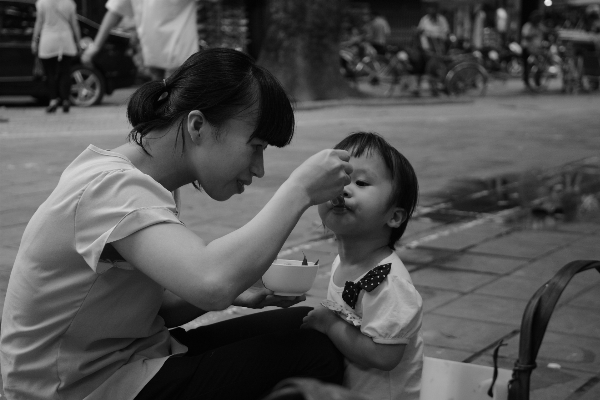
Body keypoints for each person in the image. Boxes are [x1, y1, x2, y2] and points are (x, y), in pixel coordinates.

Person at [0, 48, 353, 400]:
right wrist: (299, 190)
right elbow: (211, 283)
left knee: (309, 324)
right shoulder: (112, 187)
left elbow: (159, 310)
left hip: (130, 358)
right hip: (79, 388)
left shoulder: (145, 180)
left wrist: (242, 288)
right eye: (256, 146)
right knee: (314, 353)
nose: (258, 168)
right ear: (197, 125)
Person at [302, 132, 423, 400]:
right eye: (338, 179)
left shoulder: (389, 282)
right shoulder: (341, 262)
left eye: (361, 182)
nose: (343, 189)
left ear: (394, 216)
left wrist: (330, 325)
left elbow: (384, 355)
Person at [81, 0, 198, 80]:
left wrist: (95, 47)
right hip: (175, 55)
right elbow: (115, 12)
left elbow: (114, 12)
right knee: (174, 105)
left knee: (166, 104)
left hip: (167, 57)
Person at [31, 0, 81, 113]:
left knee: (50, 73)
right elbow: (75, 24)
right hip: (66, 40)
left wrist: (34, 40)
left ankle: (53, 100)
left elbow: (39, 22)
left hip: (48, 40)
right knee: (65, 72)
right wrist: (78, 42)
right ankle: (65, 100)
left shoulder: (42, 3)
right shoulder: (69, 3)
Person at [521, 10, 545, 90]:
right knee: (526, 66)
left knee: (540, 65)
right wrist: (533, 35)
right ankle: (527, 82)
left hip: (536, 49)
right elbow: (525, 36)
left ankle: (537, 82)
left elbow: (545, 31)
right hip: (527, 48)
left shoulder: (539, 26)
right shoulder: (528, 26)